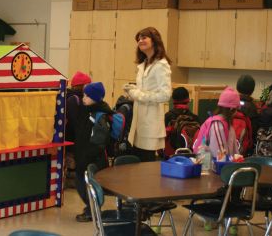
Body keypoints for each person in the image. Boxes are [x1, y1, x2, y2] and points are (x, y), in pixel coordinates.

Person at [123, 27, 172, 162]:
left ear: (155, 40)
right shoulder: (142, 64)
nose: (140, 41)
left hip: (150, 124)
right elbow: (144, 89)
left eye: (144, 37)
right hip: (138, 121)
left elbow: (165, 94)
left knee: (145, 165)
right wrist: (131, 90)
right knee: (136, 163)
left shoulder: (161, 65)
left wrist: (137, 94)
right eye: (138, 39)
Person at [74, 82, 112, 222]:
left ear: (95, 98)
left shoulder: (100, 115)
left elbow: (99, 142)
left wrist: (86, 157)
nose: (83, 98)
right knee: (82, 184)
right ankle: (91, 208)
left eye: (87, 95)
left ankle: (92, 210)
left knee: (87, 185)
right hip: (83, 155)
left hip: (92, 158)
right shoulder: (88, 110)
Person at [193, 87, 240, 158]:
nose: (237, 112)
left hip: (219, 165)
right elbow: (219, 155)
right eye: (236, 109)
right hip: (208, 166)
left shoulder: (225, 123)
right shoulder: (217, 124)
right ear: (231, 109)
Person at [65, 71, 91, 188]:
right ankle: (72, 181)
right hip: (72, 137)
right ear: (82, 86)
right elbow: (75, 122)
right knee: (72, 159)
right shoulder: (73, 99)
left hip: (76, 136)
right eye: (88, 84)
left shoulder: (79, 98)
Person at [163, 87, 199, 157]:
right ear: (188, 100)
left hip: (172, 157)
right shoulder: (195, 118)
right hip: (192, 157)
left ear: (173, 100)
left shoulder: (167, 117)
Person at [236, 74, 259, 145]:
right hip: (246, 145)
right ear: (252, 90)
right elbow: (254, 130)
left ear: (237, 87)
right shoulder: (253, 107)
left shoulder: (231, 103)